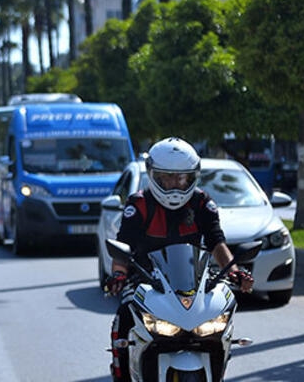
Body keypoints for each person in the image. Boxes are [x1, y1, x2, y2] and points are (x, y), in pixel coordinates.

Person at [105, 137, 254, 382]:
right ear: (153, 175)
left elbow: (217, 242)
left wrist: (235, 272)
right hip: (146, 280)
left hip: (194, 280)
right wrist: (119, 274)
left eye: (181, 177)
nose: (174, 184)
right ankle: (121, 372)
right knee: (124, 312)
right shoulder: (138, 205)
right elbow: (124, 247)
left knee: (222, 314)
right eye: (167, 177)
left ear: (192, 176)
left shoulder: (203, 203)